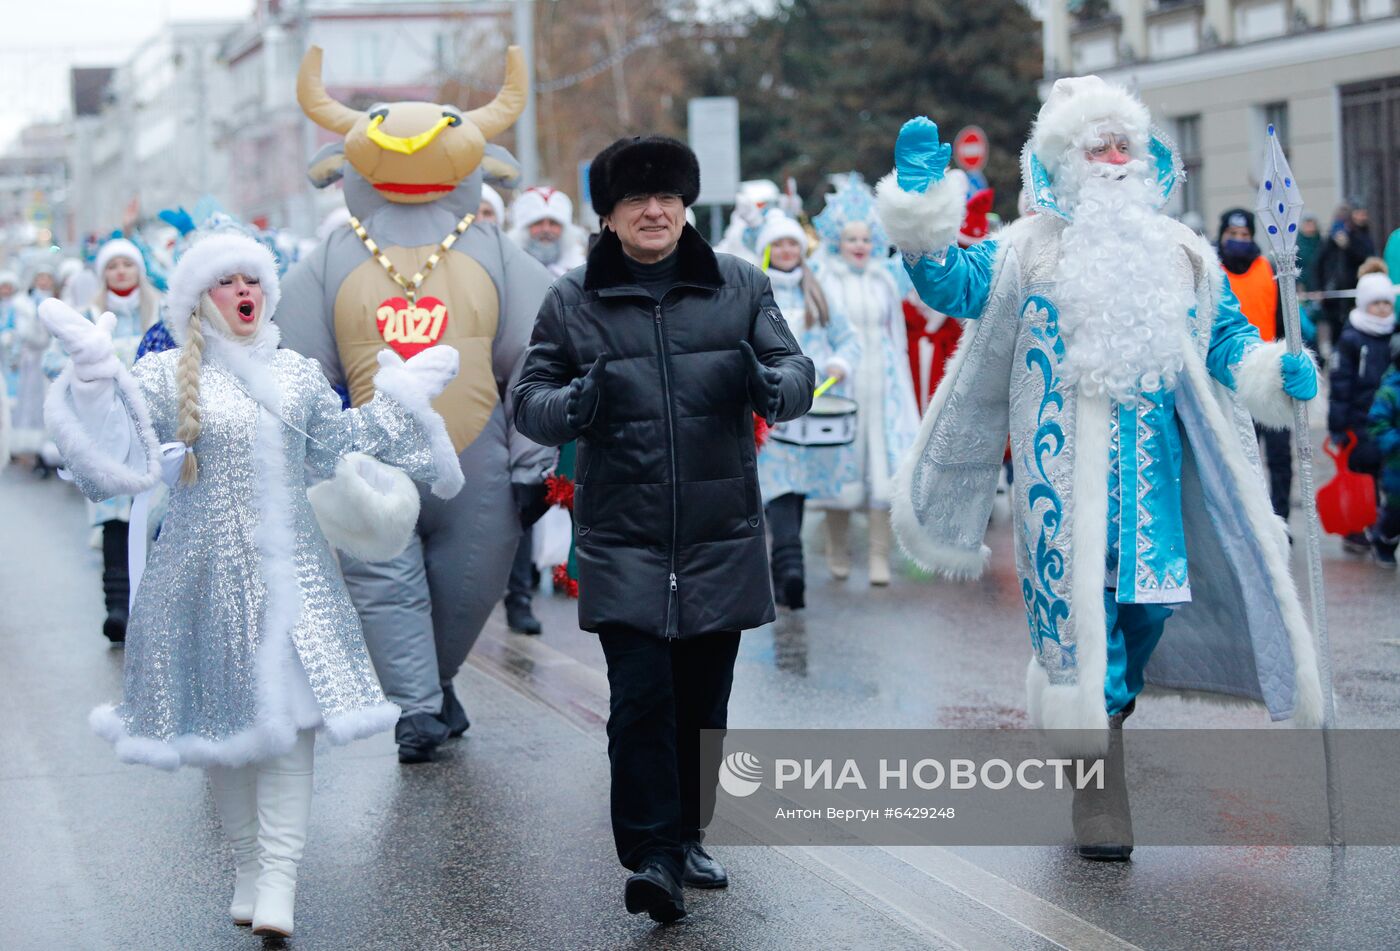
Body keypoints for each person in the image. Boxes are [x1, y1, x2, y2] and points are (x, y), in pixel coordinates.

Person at [877, 76, 1323, 860]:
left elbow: (1227, 342)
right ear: (1064, 161)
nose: (1116, 157)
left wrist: (1272, 368)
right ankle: (1098, 791)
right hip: (1065, 495)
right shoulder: (1025, 252)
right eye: (1099, 145)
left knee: (1142, 624)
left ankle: (1106, 718)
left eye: (1127, 145)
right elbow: (952, 284)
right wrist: (922, 216)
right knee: (1087, 637)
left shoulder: (1183, 255)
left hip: (1158, 496)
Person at [39, 229, 463, 938]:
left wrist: (403, 399)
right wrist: (89, 381)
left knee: (293, 735)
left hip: (296, 582)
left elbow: (342, 444)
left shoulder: (297, 374)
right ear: (200, 298)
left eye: (253, 281)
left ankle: (281, 881)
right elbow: (109, 459)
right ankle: (246, 868)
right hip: (201, 580)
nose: (245, 292)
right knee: (225, 738)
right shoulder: (167, 373)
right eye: (226, 282)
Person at [514, 135, 814, 923]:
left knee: (702, 700)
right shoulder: (571, 299)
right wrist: (569, 406)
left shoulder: (740, 285)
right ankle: (651, 855)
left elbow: (796, 373)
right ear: (609, 217)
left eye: (668, 197)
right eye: (636, 200)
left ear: (686, 206)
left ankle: (689, 835)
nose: (654, 211)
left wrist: (769, 385)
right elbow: (528, 396)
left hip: (720, 534)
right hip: (624, 536)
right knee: (641, 699)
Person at [279, 45, 552, 763]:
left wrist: (534, 460)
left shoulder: (494, 249)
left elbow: (537, 355)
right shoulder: (332, 257)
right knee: (384, 585)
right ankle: (419, 712)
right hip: (369, 465)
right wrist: (314, 455)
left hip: (482, 461)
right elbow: (297, 366)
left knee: (471, 585)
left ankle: (434, 684)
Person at [810, 174, 920, 586]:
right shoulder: (825, 280)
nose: (859, 246)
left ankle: (877, 556)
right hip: (842, 384)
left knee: (883, 468)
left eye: (864, 239)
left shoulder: (884, 279)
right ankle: (838, 549)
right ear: (838, 240)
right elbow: (815, 332)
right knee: (841, 467)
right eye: (851, 239)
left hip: (883, 384)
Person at [755, 212, 859, 609]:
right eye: (777, 244)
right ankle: (790, 567)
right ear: (767, 248)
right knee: (778, 484)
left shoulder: (819, 290)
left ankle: (784, 573)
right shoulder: (756, 290)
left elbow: (848, 339)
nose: (785, 251)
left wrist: (839, 364)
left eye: (791, 244)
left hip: (812, 408)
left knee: (795, 487)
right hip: (769, 406)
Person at [500, 185, 585, 634]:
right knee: (526, 492)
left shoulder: (581, 271)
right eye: (539, 224)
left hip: (575, 397)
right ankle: (519, 593)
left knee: (577, 490)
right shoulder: (508, 272)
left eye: (554, 223)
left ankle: (578, 575)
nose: (548, 231)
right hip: (522, 399)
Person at [75, 238, 165, 641]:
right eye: (113, 267)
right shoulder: (89, 314)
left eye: (128, 264)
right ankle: (117, 607)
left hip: (153, 428)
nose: (121, 272)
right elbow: (58, 363)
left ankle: (154, 606)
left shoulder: (159, 309)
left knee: (155, 514)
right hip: (106, 432)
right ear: (104, 274)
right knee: (114, 517)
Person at [1217, 208, 1294, 524]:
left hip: (1268, 378)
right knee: (1238, 459)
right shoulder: (1213, 272)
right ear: (1221, 236)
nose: (1238, 241)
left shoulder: (1269, 270)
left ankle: (1280, 520)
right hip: (1228, 381)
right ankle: (1245, 522)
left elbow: (1285, 322)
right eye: (1232, 235)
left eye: (1244, 236)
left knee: (1278, 457)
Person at [1329, 270, 1396, 554]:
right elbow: (1341, 384)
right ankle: (1359, 526)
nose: (1382, 309)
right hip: (1358, 421)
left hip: (1386, 420)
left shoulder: (1395, 334)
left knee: (1386, 475)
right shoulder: (1352, 338)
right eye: (1376, 303)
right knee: (1362, 476)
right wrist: (1337, 425)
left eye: (1386, 303)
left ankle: (1380, 526)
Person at [1315, 204, 1376, 351]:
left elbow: (1366, 257)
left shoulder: (1360, 236)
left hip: (1354, 292)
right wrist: (1319, 287)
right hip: (1334, 296)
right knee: (1336, 332)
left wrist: (1348, 246)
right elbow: (1319, 264)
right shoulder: (1330, 240)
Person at [1366, 324, 1400, 566]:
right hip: (1396, 465)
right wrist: (1395, 441)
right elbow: (1377, 423)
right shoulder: (1390, 391)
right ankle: (1384, 541)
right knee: (1395, 512)